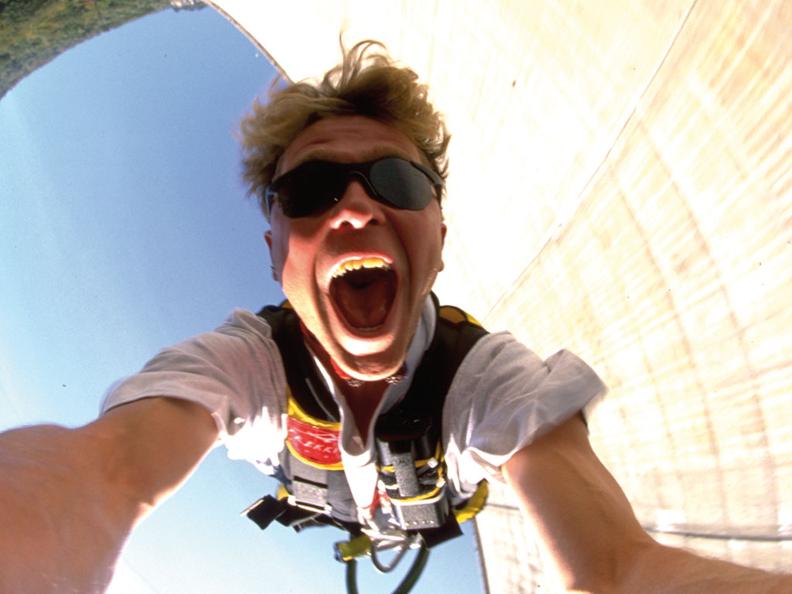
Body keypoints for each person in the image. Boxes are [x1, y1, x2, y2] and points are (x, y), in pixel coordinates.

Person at [0, 40, 789, 594]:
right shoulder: (247, 365)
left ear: (438, 239)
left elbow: (614, 567)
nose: (353, 210)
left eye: (396, 183)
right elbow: (106, 471)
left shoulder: (486, 378)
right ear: (276, 253)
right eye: (310, 192)